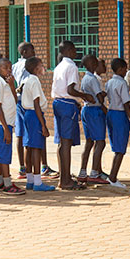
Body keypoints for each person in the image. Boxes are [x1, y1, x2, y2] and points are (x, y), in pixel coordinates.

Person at [52, 41, 90, 190]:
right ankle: (66, 180)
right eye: (74, 49)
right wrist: (85, 96)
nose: (76, 52)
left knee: (62, 142)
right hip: (68, 104)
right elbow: (71, 90)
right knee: (66, 142)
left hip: (58, 103)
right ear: (68, 50)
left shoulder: (59, 66)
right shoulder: (72, 66)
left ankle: (63, 178)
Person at [0, 57, 25, 195]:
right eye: (6, 68)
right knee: (5, 153)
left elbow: (15, 100)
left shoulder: (7, 83)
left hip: (7, 123)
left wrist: (12, 86)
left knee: (1, 152)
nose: (9, 70)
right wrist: (6, 129)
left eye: (10, 68)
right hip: (2, 124)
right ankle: (7, 183)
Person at [21, 56, 55, 192]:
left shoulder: (27, 80)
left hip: (28, 114)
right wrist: (43, 125)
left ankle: (29, 179)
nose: (43, 68)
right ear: (36, 68)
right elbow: (36, 103)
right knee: (36, 147)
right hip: (35, 115)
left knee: (29, 146)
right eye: (41, 65)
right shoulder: (34, 81)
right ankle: (37, 181)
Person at [105, 58, 130, 188]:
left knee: (116, 147)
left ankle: (112, 176)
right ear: (120, 69)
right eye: (125, 69)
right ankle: (113, 177)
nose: (126, 71)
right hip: (119, 115)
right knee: (120, 149)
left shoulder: (109, 82)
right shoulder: (122, 83)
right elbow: (126, 104)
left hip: (111, 113)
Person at [78, 54, 107, 184]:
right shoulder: (93, 79)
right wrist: (104, 102)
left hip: (86, 110)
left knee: (89, 142)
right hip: (95, 111)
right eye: (95, 62)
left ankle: (82, 172)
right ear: (91, 65)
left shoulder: (85, 78)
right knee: (100, 142)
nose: (97, 64)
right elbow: (99, 98)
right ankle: (95, 173)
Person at [12, 42, 34, 180]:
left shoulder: (15, 66)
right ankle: (29, 167)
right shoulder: (27, 65)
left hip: (19, 101)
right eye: (32, 50)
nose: (35, 52)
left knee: (19, 134)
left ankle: (22, 167)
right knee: (29, 134)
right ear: (25, 52)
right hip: (27, 102)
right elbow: (26, 84)